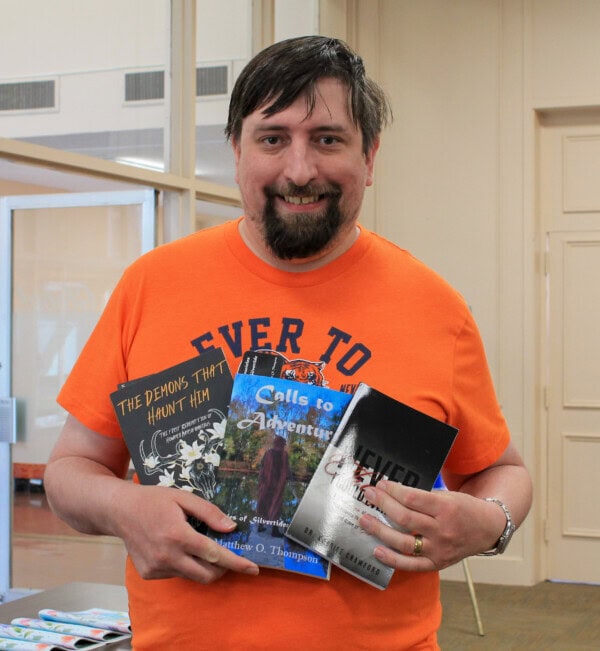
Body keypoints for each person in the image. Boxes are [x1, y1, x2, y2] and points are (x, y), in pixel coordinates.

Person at [44, 35, 532, 650]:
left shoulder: (434, 305)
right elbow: (69, 470)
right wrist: (123, 508)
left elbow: (502, 470)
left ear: (370, 156)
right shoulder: (153, 285)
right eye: (273, 138)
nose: (300, 171)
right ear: (237, 151)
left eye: (328, 139)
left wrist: (490, 522)